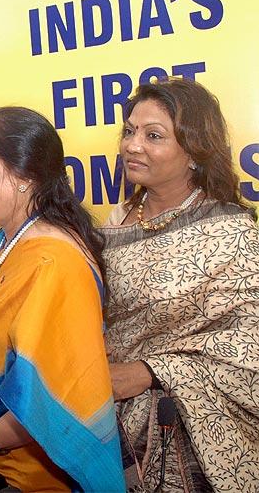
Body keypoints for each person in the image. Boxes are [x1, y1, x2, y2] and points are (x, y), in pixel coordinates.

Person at [0, 107, 124, 491]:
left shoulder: (53, 263)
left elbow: (46, 400)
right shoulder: (11, 239)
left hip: (27, 475)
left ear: (23, 177)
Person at [100, 78, 259, 491]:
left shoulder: (230, 232)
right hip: (105, 421)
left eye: (153, 135)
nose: (133, 145)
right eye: (129, 131)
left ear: (193, 151)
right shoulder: (114, 224)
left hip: (194, 433)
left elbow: (249, 343)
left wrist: (153, 371)